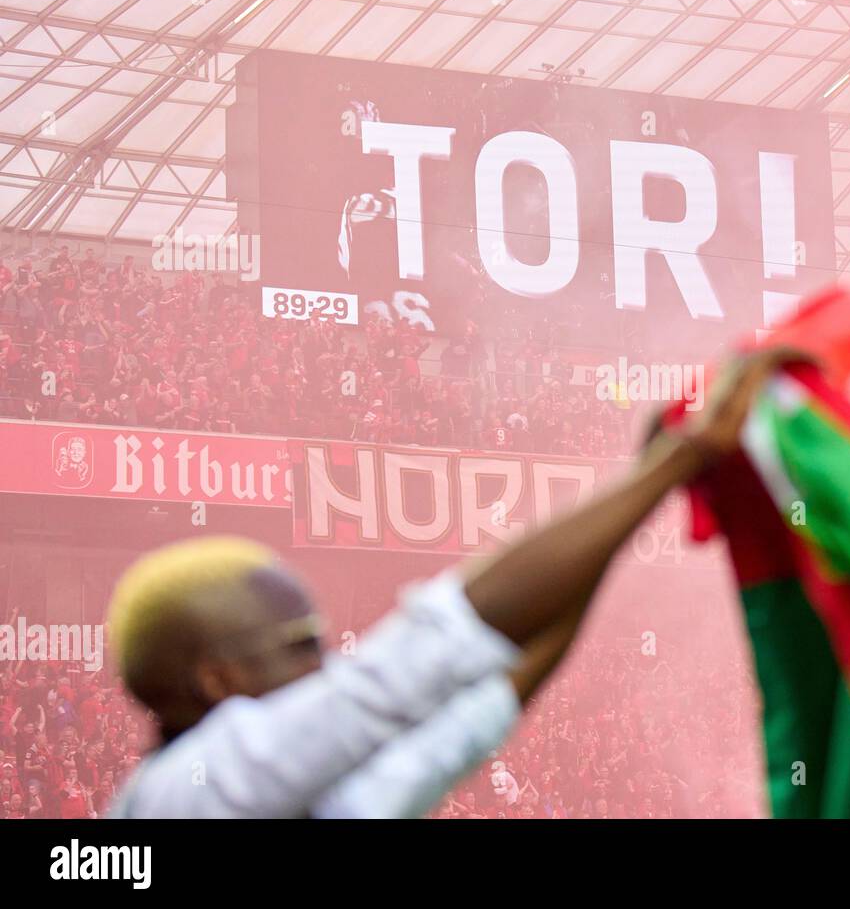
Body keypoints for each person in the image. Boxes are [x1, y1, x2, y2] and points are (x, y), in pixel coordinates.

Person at [107, 349, 794, 818]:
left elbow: (503, 684)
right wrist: (674, 464)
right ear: (218, 680)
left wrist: (644, 484)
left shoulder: (313, 798)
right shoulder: (181, 796)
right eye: (300, 645)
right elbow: (442, 642)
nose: (328, 662)